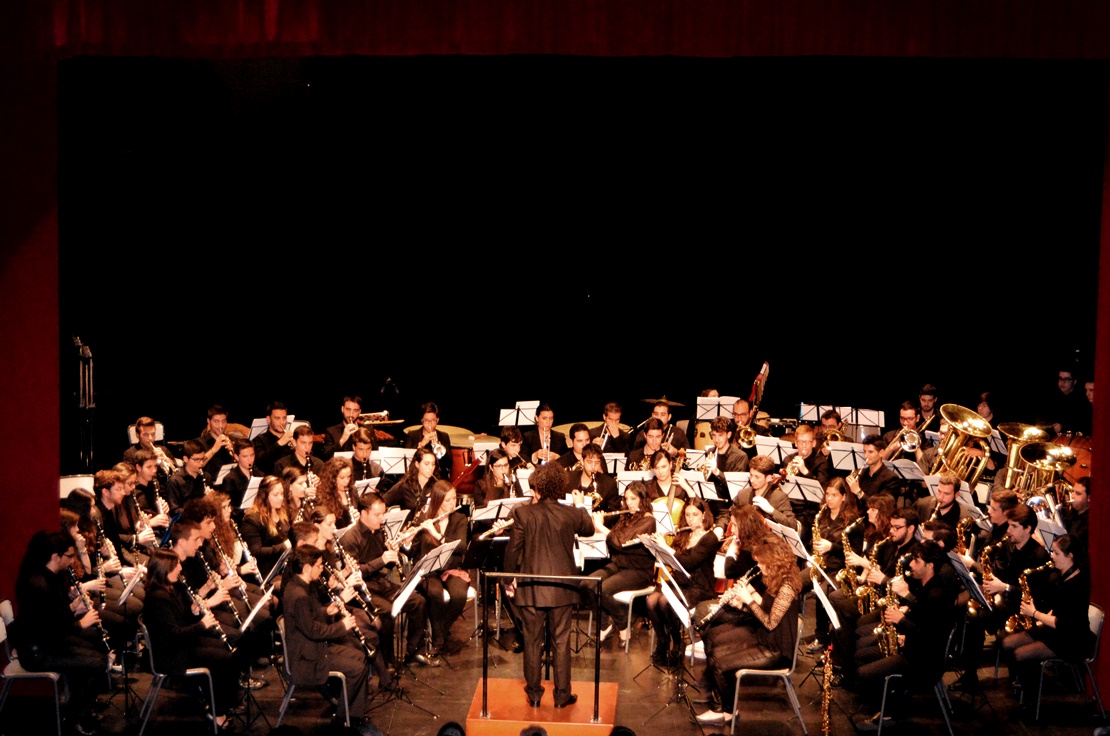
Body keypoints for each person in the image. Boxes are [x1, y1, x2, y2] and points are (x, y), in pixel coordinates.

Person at [503, 462, 594, 708]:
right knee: (561, 642)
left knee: (532, 641)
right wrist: (581, 506)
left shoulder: (524, 514)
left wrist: (506, 580)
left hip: (531, 587)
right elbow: (589, 528)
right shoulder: (572, 513)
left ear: (539, 488)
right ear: (559, 487)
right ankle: (562, 695)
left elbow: (513, 550)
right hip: (563, 588)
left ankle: (534, 695)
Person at [696, 534, 801, 726]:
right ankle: (721, 706)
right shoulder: (774, 579)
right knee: (715, 646)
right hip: (764, 637)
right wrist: (742, 604)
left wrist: (748, 599)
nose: (759, 567)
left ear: (774, 562)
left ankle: (726, 711)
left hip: (777, 649)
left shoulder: (787, 587)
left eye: (762, 563)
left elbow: (770, 622)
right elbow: (764, 610)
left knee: (720, 664)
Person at [852, 540, 958, 729]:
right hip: (915, 648)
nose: (911, 564)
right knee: (862, 653)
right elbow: (922, 621)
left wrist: (900, 620)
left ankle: (888, 715)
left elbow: (929, 635)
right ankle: (885, 704)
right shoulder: (926, 586)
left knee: (862, 670)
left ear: (930, 565)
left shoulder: (937, 595)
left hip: (922, 661)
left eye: (916, 561)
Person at [13, 531, 109, 735]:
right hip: (38, 653)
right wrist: (80, 622)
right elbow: (47, 630)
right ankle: (74, 717)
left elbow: (53, 614)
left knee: (94, 643)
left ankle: (84, 703)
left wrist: (72, 604)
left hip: (48, 642)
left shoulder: (50, 576)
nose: (73, 560)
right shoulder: (37, 584)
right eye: (70, 556)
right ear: (55, 557)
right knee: (97, 661)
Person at [283, 544, 380, 735]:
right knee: (357, 669)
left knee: (359, 656)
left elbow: (310, 617)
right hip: (307, 658)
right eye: (319, 566)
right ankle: (346, 720)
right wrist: (342, 627)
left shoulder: (301, 585)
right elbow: (313, 631)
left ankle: (352, 711)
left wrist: (328, 610)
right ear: (307, 568)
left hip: (313, 648)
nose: (321, 569)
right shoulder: (298, 594)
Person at [142, 548, 238, 730]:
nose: (180, 568)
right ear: (165, 569)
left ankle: (218, 703)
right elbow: (174, 635)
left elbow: (180, 619)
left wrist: (195, 610)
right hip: (169, 656)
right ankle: (217, 711)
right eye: (176, 565)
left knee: (222, 648)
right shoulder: (158, 598)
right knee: (223, 658)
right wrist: (202, 624)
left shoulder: (169, 589)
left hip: (177, 646)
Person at [339, 492, 438, 668]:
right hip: (360, 589)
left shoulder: (379, 532)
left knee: (418, 601)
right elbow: (354, 572)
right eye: (377, 515)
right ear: (363, 514)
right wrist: (382, 560)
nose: (382, 519)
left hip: (380, 583)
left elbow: (387, 567)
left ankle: (414, 651)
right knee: (387, 611)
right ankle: (387, 661)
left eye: (383, 513)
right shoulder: (350, 538)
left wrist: (393, 555)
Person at [1001, 534, 1094, 701]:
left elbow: (1063, 622)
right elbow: (1056, 609)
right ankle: (1020, 684)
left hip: (1072, 639)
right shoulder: (1060, 576)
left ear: (1070, 556)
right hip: (1056, 631)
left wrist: (1034, 614)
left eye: (1056, 553)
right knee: (1007, 643)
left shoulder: (1077, 585)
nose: (1051, 556)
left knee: (1021, 654)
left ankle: (1031, 700)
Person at [644, 497, 718, 665]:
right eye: (687, 515)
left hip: (700, 586)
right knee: (651, 600)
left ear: (704, 515)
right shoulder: (685, 534)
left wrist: (666, 547)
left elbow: (689, 562)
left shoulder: (710, 539)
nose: (691, 519)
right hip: (680, 581)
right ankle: (663, 641)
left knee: (664, 601)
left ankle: (678, 642)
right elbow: (674, 562)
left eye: (695, 514)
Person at [580, 481, 657, 644]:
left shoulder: (648, 521)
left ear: (643, 500)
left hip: (639, 570)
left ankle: (623, 626)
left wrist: (600, 526)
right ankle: (604, 624)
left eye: (633, 499)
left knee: (604, 590)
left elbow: (621, 542)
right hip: (620, 565)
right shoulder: (627, 517)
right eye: (626, 499)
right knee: (586, 585)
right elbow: (615, 539)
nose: (628, 503)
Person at [410, 480, 470, 654]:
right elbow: (413, 550)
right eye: (448, 500)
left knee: (459, 595)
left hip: (451, 568)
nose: (453, 503)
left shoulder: (460, 518)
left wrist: (438, 535)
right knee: (435, 594)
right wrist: (408, 540)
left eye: (454, 499)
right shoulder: (424, 518)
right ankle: (439, 639)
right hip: (429, 571)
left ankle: (440, 631)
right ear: (438, 500)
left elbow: (461, 547)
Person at [806, 478, 861, 654]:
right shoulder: (822, 515)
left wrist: (831, 547)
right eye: (827, 494)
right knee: (793, 582)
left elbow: (855, 551)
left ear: (844, 497)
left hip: (840, 568)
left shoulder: (853, 521)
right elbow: (813, 539)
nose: (829, 499)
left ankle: (822, 637)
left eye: (834, 495)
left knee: (822, 590)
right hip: (821, 564)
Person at [718, 455, 796, 531]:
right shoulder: (742, 494)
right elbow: (728, 515)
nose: (752, 480)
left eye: (757, 477)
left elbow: (792, 525)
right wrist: (719, 528)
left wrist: (772, 511)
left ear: (768, 478)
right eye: (751, 475)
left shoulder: (780, 497)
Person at [240, 475, 293, 580]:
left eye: (282, 494)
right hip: (268, 571)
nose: (281, 498)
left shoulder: (284, 511)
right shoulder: (252, 520)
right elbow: (256, 551)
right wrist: (283, 547)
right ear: (264, 496)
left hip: (286, 565)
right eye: (275, 495)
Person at [404, 402, 453, 479]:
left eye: (433, 420)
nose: (430, 423)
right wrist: (422, 444)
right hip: (417, 476)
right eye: (427, 420)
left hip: (439, 477)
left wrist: (440, 450)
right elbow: (408, 462)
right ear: (422, 421)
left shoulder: (444, 436)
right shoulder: (412, 435)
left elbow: (449, 464)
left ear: (437, 420)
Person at [384, 447, 439, 513]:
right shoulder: (404, 485)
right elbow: (383, 502)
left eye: (433, 464)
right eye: (426, 464)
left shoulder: (437, 486)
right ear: (417, 464)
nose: (431, 468)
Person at [165, 439, 211, 516]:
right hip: (186, 523)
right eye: (197, 460)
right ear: (185, 459)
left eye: (203, 459)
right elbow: (175, 510)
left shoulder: (206, 477)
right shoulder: (175, 480)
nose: (201, 463)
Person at [849, 435, 903, 501]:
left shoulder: (891, 478)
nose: (866, 456)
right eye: (864, 451)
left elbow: (881, 507)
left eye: (870, 452)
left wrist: (858, 492)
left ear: (881, 453)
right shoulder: (862, 473)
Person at [568, 444, 619, 512]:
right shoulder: (568, 479)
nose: (593, 466)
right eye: (589, 462)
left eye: (597, 463)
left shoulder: (609, 484)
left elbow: (613, 512)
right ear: (582, 461)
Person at [220, 438, 261, 514]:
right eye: (245, 457)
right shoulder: (230, 479)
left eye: (252, 455)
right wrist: (243, 511)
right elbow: (229, 506)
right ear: (236, 457)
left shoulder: (259, 474)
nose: (250, 460)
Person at [252, 401, 295, 475]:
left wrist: (297, 449)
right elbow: (261, 463)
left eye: (284, 418)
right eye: (277, 418)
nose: (282, 422)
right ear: (268, 419)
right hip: (271, 481)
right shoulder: (259, 440)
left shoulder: (290, 439)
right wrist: (279, 443)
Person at [315, 456, 359, 527]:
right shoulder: (323, 497)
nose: (346, 481)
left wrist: (358, 519)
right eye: (342, 478)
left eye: (348, 476)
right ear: (332, 478)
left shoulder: (353, 490)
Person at [322, 395, 368, 459]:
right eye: (348, 409)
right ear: (342, 409)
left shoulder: (368, 429)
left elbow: (375, 452)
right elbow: (326, 456)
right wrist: (342, 440)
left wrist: (359, 436)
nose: (351, 414)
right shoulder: (331, 431)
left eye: (355, 410)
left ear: (359, 412)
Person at [196, 404, 234, 478]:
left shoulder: (232, 440)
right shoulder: (199, 443)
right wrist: (214, 449)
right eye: (216, 421)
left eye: (224, 421)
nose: (221, 426)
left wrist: (234, 451)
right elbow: (196, 465)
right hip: (211, 485)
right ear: (208, 421)